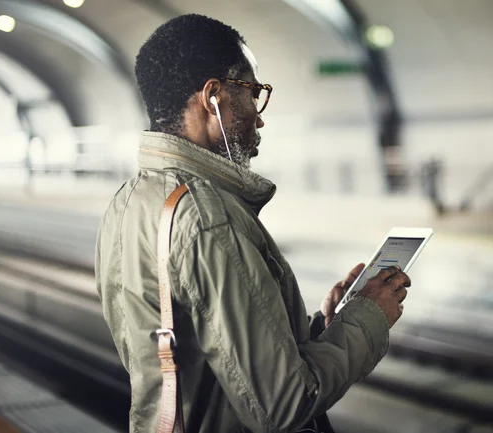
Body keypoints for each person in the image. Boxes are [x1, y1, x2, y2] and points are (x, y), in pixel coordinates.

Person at [95, 14, 411, 433]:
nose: (259, 117)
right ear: (214, 98)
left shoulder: (128, 202)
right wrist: (368, 317)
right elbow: (283, 404)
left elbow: (216, 361)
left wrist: (327, 329)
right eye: (252, 93)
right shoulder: (207, 218)